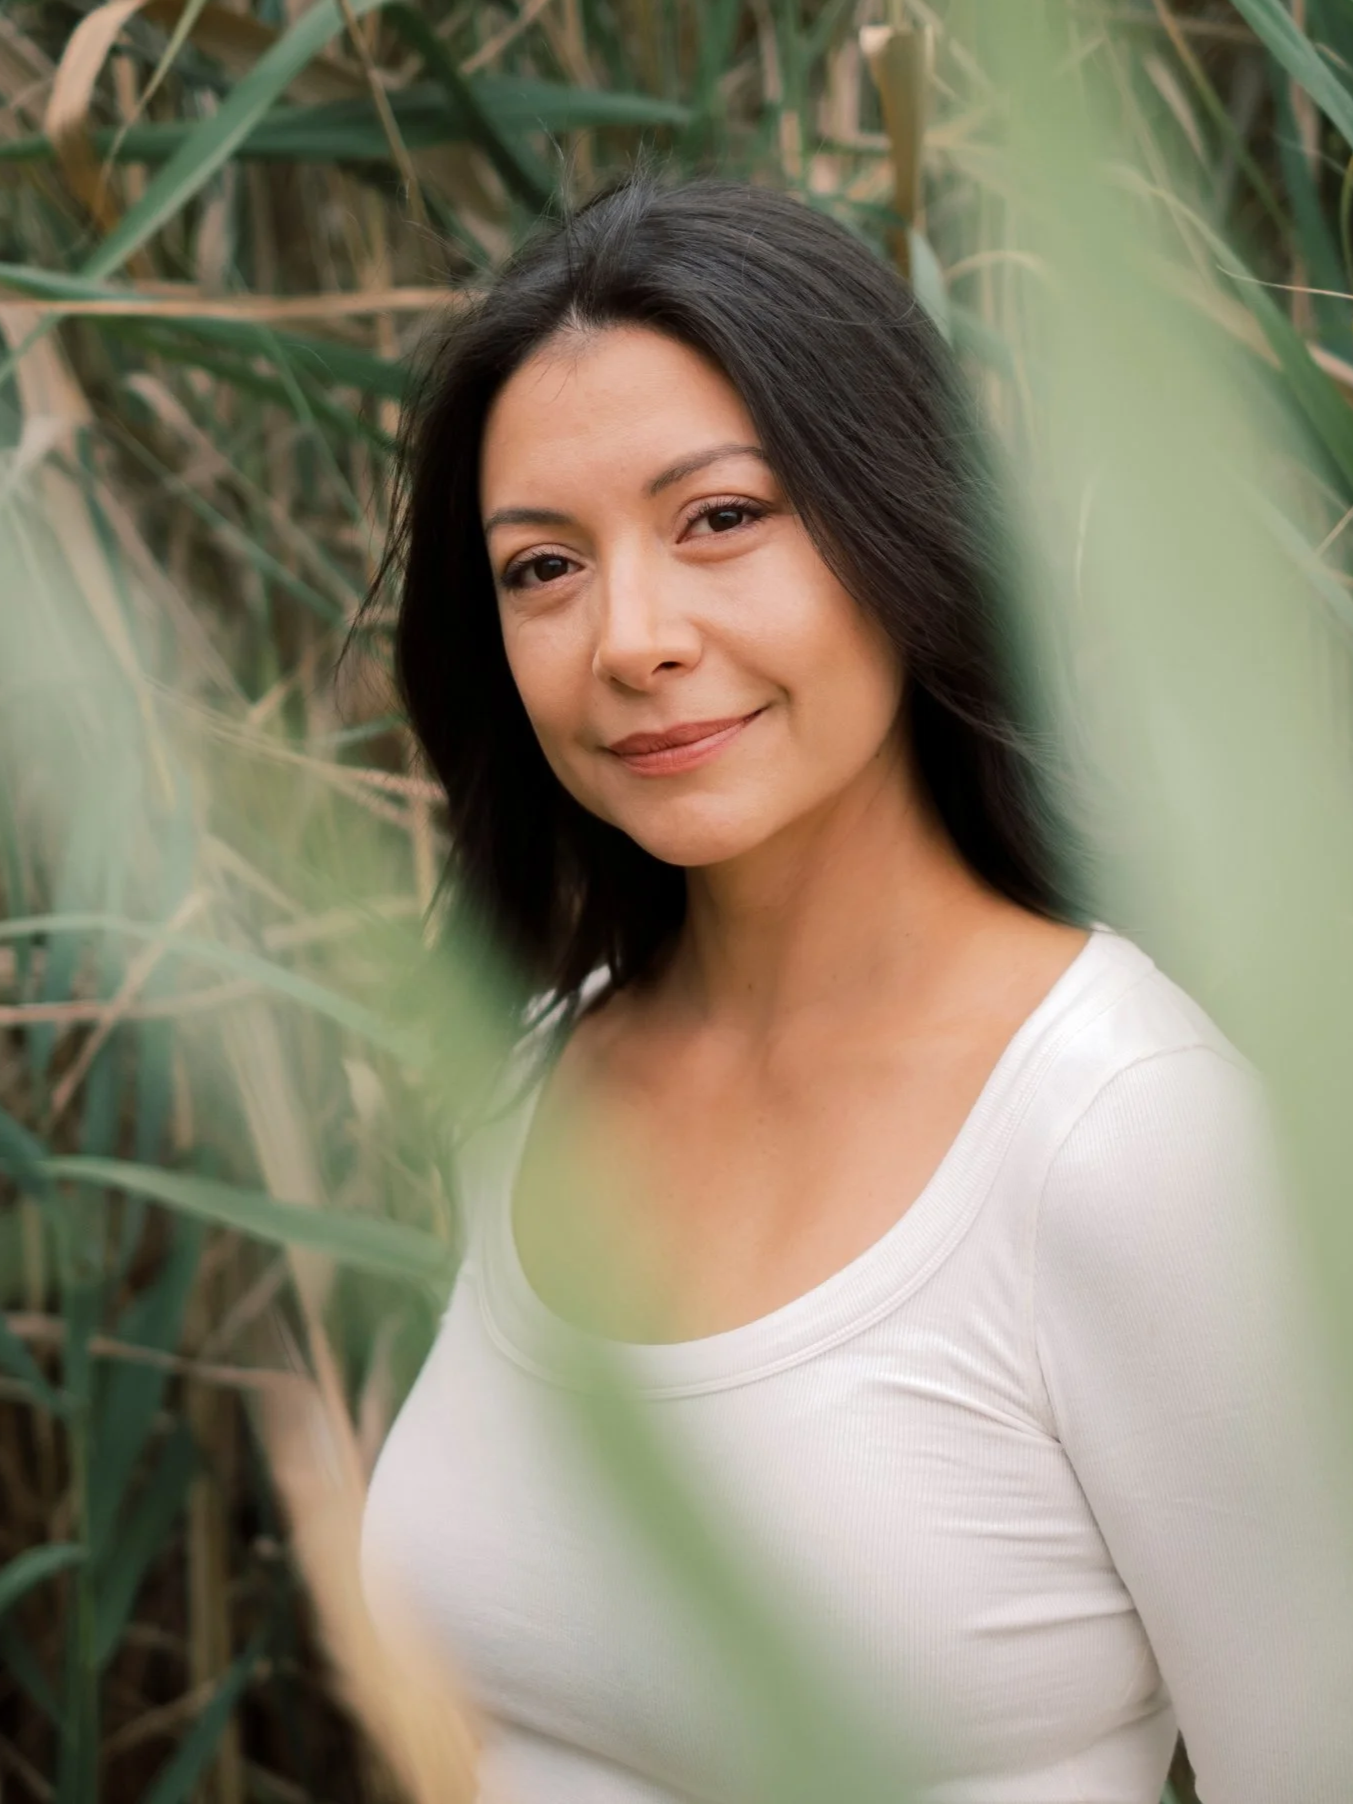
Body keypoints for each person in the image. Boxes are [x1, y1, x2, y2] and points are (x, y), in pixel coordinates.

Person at [359, 176, 1353, 1803]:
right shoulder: (538, 1068)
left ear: (902, 527)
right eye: (543, 566)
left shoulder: (1126, 1141)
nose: (631, 636)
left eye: (723, 519)